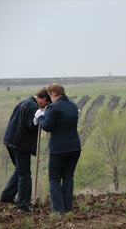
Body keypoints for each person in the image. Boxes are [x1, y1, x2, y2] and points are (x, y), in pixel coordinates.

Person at [0, 88, 51, 212]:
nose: (45, 107)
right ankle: (23, 205)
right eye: (47, 104)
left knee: (19, 170)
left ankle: (6, 197)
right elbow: (31, 125)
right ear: (43, 99)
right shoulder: (33, 107)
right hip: (20, 144)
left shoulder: (24, 102)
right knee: (25, 175)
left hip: (11, 141)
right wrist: (41, 118)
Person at [34, 83, 81, 213]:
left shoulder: (53, 108)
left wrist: (40, 117)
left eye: (51, 96)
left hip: (59, 148)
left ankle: (58, 210)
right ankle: (67, 208)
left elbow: (47, 126)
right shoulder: (73, 106)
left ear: (54, 94)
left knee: (54, 179)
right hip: (75, 147)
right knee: (68, 177)